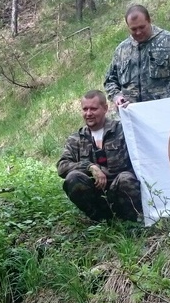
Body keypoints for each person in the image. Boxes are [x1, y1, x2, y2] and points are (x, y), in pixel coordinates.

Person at [57, 90, 141, 222]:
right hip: (95, 194)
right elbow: (62, 166)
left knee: (126, 178)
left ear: (105, 108)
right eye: (85, 109)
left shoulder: (122, 130)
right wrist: (90, 166)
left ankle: (129, 222)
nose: (88, 113)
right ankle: (101, 221)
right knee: (72, 177)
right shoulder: (76, 138)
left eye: (93, 109)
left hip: (120, 191)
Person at [104, 4, 170, 108]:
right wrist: (117, 96)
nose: (138, 32)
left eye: (142, 27)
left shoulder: (169, 42)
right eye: (133, 29)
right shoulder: (121, 50)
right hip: (131, 115)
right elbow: (110, 80)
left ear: (149, 21)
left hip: (162, 112)